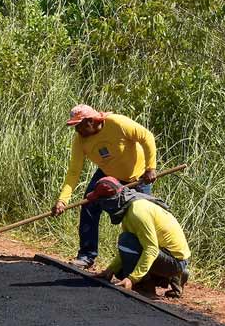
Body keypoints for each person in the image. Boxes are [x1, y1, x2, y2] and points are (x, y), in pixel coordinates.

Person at [51, 104, 159, 269]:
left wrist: (151, 168)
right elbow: (74, 171)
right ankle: (86, 255)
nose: (76, 130)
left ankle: (144, 266)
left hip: (138, 178)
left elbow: (147, 137)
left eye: (78, 125)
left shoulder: (117, 123)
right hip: (107, 175)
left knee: (141, 219)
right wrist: (62, 200)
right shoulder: (80, 140)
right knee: (89, 204)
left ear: (90, 121)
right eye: (74, 126)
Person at [87, 177, 191, 298]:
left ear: (110, 201)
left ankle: (146, 286)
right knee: (121, 266)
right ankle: (175, 277)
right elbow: (128, 249)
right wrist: (110, 270)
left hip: (174, 261)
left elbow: (150, 249)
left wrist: (132, 279)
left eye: (101, 202)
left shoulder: (137, 212)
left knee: (126, 242)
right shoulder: (129, 206)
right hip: (171, 256)